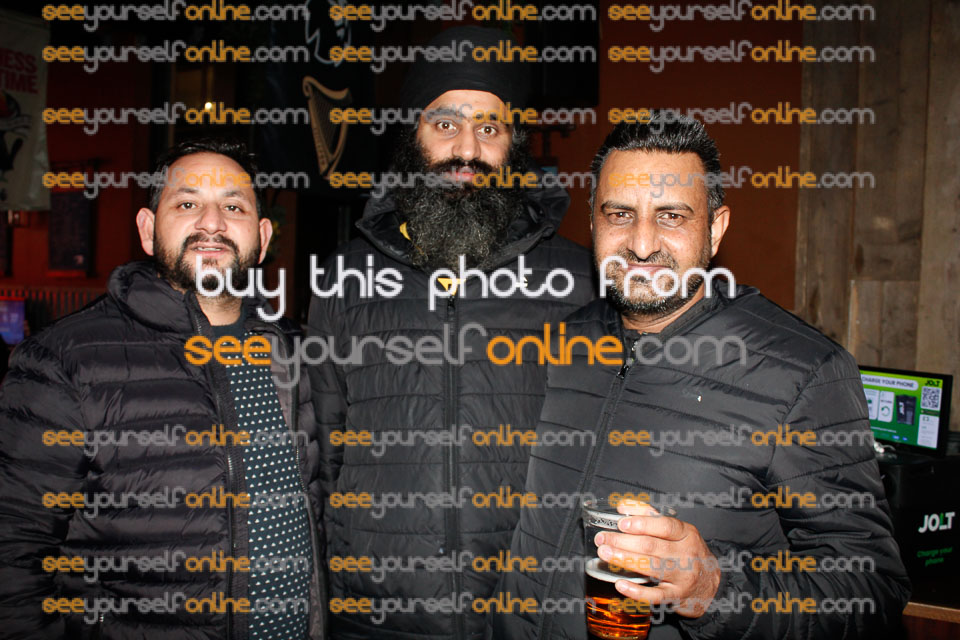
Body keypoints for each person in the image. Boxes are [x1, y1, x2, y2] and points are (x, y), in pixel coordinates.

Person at [492, 112, 911, 639]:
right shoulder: (557, 344)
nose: (642, 244)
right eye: (620, 214)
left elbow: (873, 590)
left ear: (715, 228)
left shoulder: (802, 371)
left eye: (671, 216)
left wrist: (713, 590)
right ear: (594, 225)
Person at [307, 26, 595, 640]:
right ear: (412, 136)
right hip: (377, 615)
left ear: (514, 144)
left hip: (530, 613)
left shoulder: (578, 281)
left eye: (490, 128)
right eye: (445, 124)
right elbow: (324, 455)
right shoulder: (344, 278)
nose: (467, 149)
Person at [0, 139, 325, 639]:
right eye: (188, 204)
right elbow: (14, 553)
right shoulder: (65, 359)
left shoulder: (296, 352)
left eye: (233, 207)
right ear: (149, 230)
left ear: (262, 238)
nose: (212, 223)